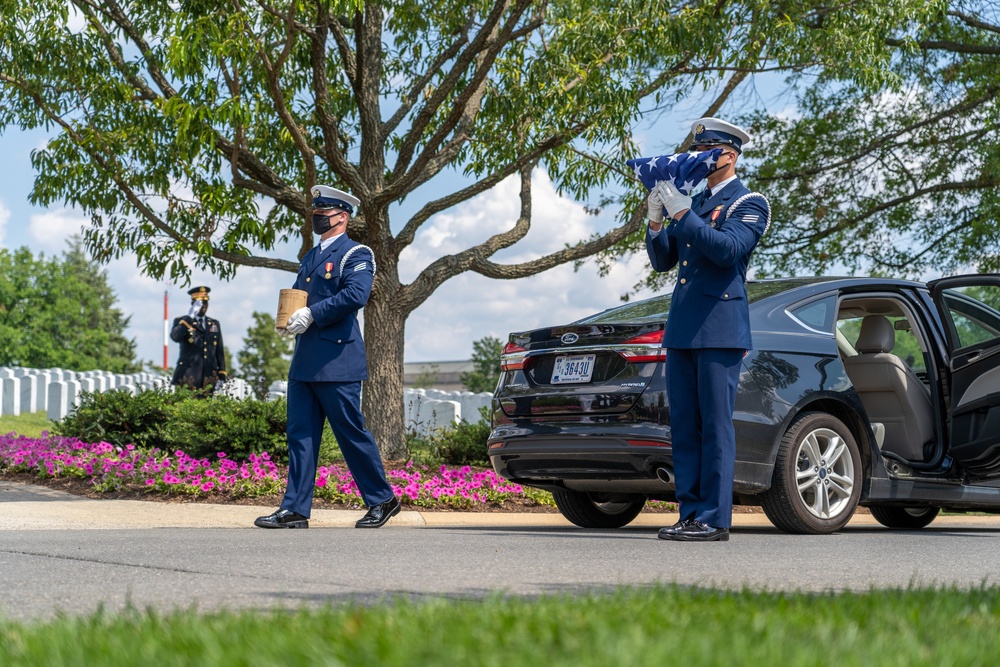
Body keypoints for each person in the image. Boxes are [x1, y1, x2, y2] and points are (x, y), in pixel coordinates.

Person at [644, 118, 770, 542]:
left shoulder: (749, 202)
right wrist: (658, 224)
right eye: (695, 150)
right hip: (683, 328)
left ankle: (714, 519)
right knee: (685, 425)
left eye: (706, 150)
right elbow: (665, 261)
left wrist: (682, 212)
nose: (696, 158)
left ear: (728, 155)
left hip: (719, 328)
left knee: (716, 425)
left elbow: (727, 250)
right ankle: (690, 513)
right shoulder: (694, 201)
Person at [255, 185, 400, 530]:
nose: (318, 217)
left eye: (324, 213)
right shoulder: (309, 256)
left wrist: (313, 315)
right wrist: (287, 319)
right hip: (306, 359)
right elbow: (299, 295)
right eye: (316, 212)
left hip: (338, 359)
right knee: (300, 435)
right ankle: (295, 509)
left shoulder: (356, 253)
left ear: (342, 216)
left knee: (350, 433)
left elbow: (356, 294)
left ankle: (383, 500)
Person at [170, 286, 227, 390]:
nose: (203, 306)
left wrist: (222, 375)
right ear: (193, 304)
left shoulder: (214, 324)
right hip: (187, 378)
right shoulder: (182, 321)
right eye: (200, 303)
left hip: (208, 379)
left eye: (205, 302)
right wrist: (190, 316)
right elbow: (175, 337)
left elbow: (219, 351)